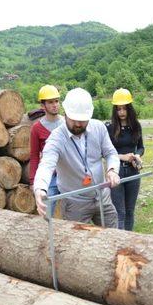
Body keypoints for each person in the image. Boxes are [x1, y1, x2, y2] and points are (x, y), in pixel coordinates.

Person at [33, 88, 120, 227]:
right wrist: (40, 189)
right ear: (65, 113)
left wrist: (112, 170)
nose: (78, 124)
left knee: (114, 237)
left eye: (83, 120)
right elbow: (46, 165)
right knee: (75, 244)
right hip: (74, 203)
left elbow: (111, 153)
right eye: (74, 120)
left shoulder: (99, 128)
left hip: (102, 197)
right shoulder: (56, 138)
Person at [106, 88, 144, 231]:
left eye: (124, 109)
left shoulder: (136, 126)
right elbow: (106, 152)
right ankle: (120, 242)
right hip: (117, 171)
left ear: (129, 109)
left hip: (133, 172)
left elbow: (141, 147)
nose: (121, 112)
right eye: (118, 109)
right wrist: (122, 157)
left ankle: (129, 241)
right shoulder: (109, 128)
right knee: (119, 212)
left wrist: (137, 155)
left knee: (129, 211)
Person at [29, 85, 63, 196]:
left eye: (56, 101)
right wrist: (33, 181)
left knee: (73, 210)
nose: (55, 105)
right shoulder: (36, 128)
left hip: (68, 175)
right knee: (47, 211)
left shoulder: (67, 124)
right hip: (49, 177)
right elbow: (34, 155)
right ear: (43, 105)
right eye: (50, 102)